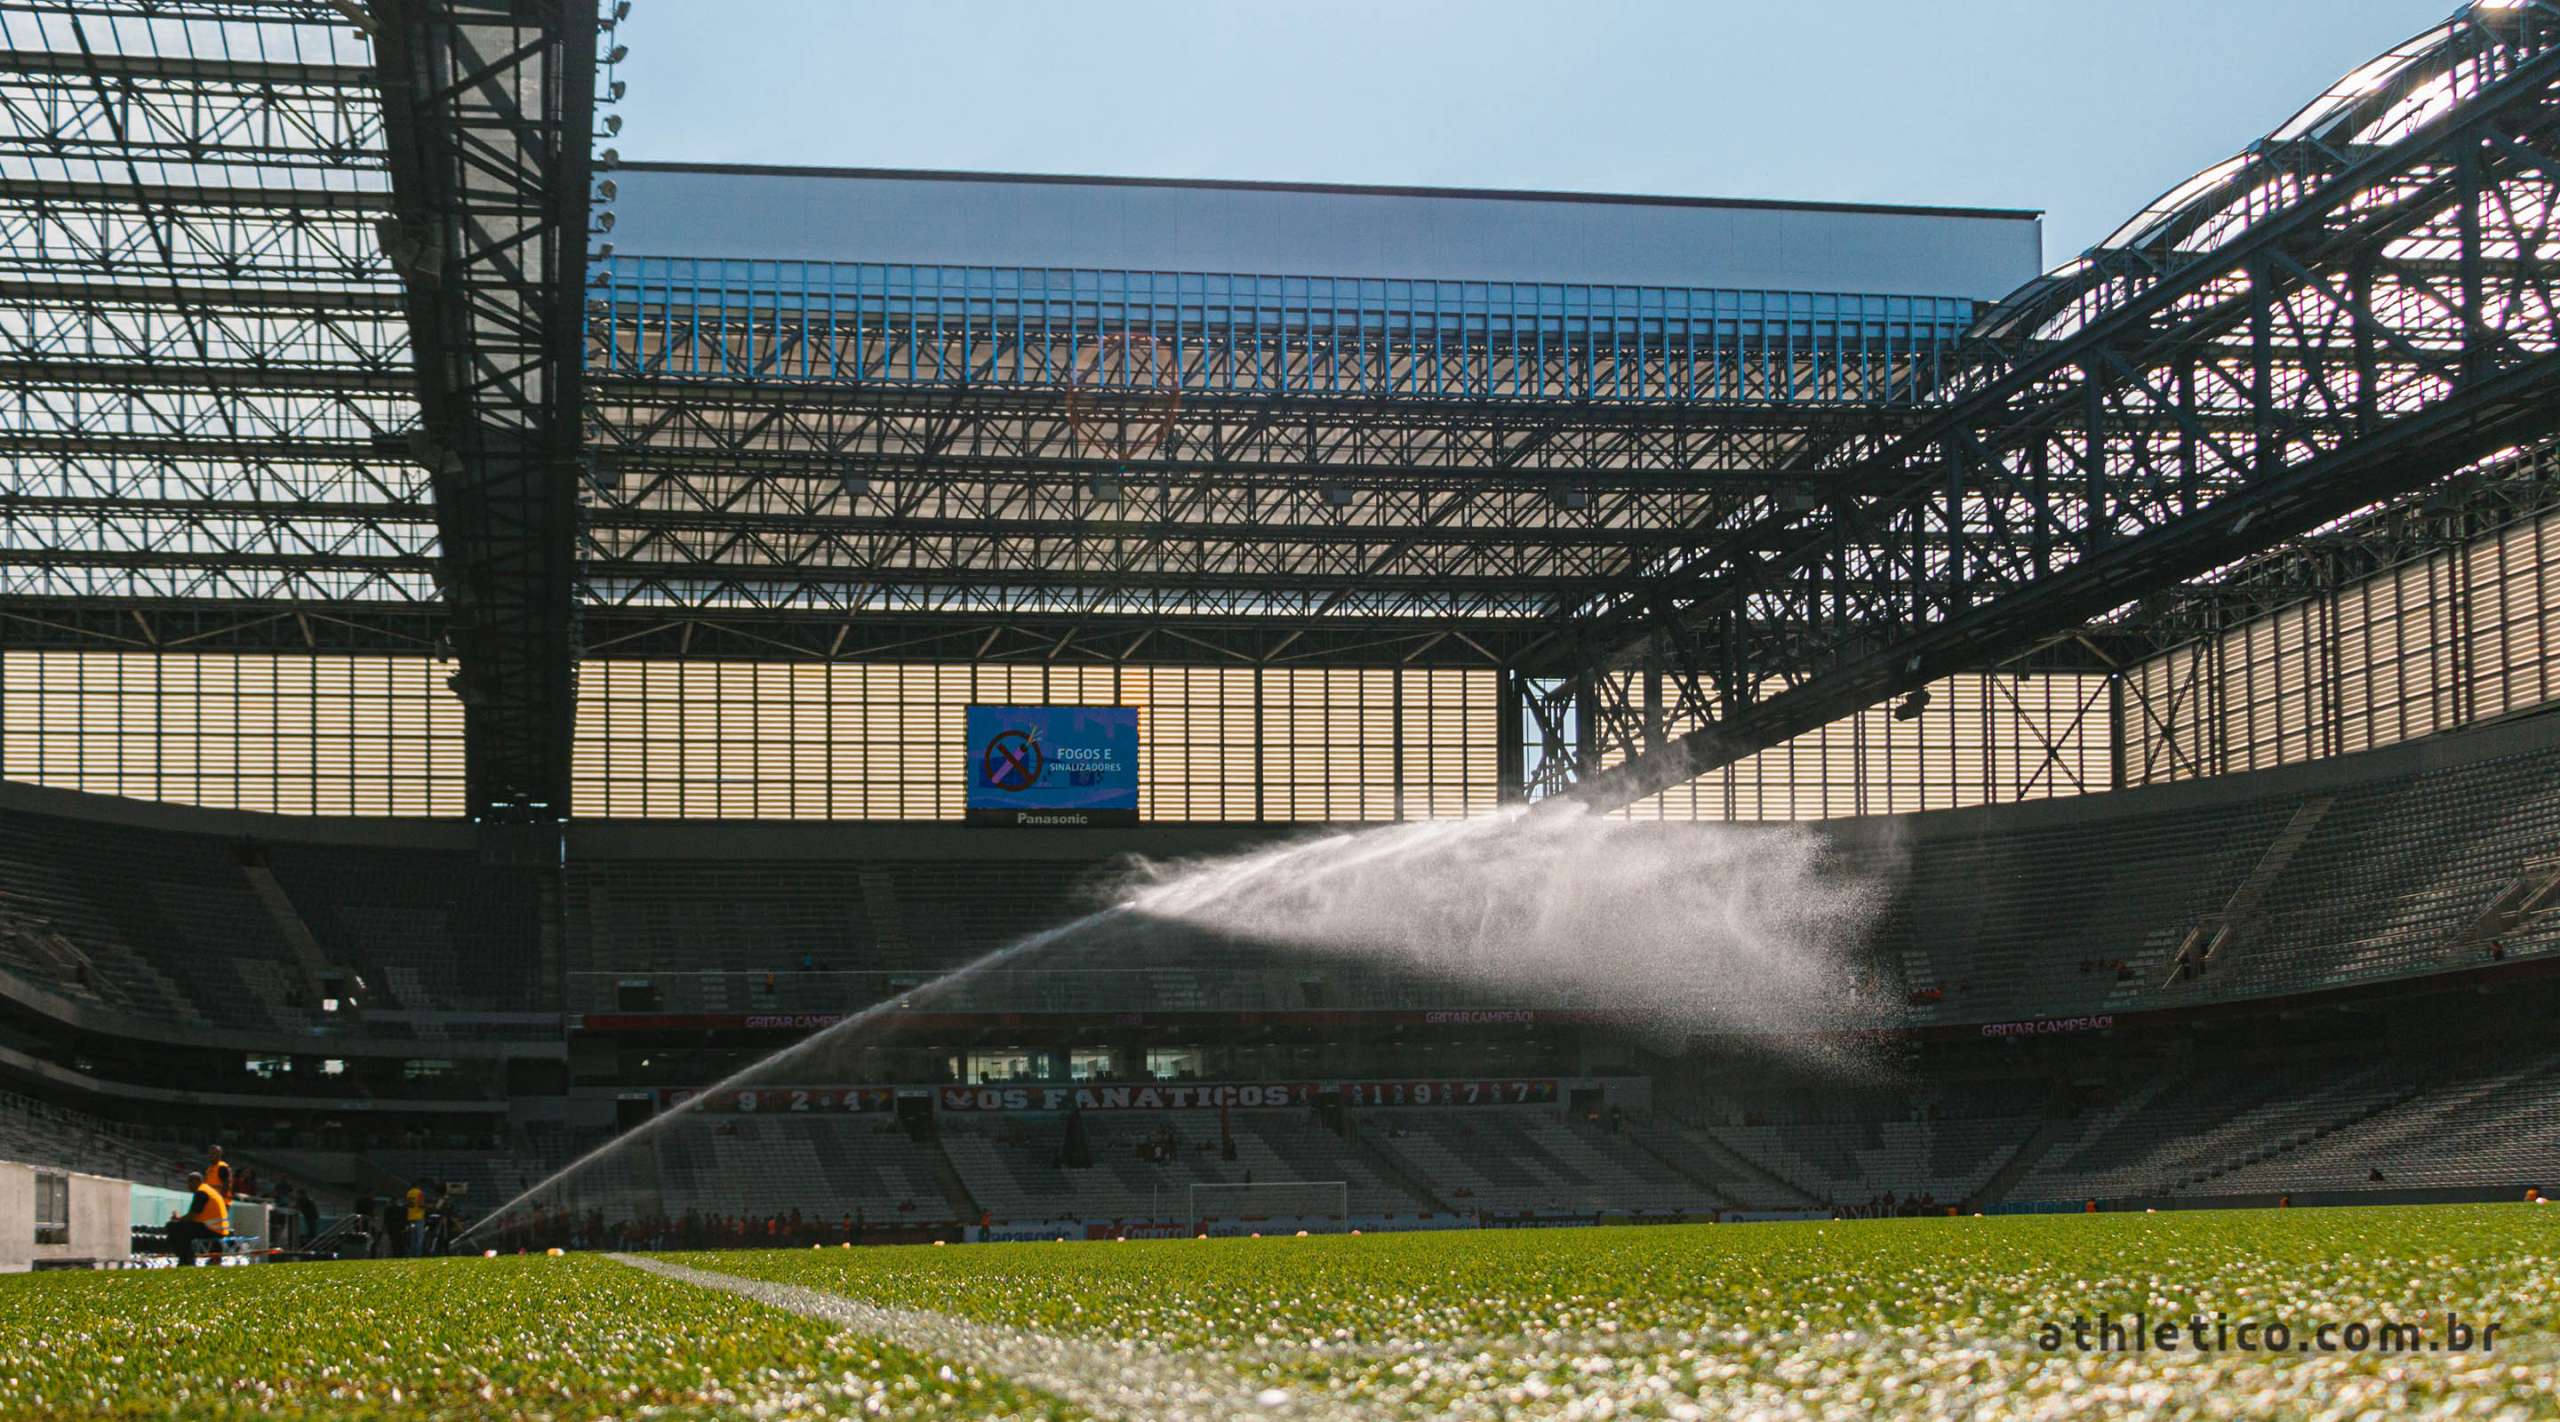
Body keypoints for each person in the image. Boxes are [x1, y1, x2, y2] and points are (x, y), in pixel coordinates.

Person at [169, 1170, 228, 1266]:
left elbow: (192, 1216)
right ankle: (188, 1258)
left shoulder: (201, 1192)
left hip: (211, 1229)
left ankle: (186, 1259)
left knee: (173, 1227)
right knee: (184, 1228)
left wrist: (177, 1219)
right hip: (219, 1228)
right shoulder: (209, 1190)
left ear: (196, 1181)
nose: (188, 1185)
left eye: (189, 1182)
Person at [404, 1181, 429, 1258]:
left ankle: (412, 1254)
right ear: (418, 1185)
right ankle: (418, 1255)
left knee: (413, 1239)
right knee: (419, 1238)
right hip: (419, 1217)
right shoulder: (419, 1192)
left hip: (410, 1217)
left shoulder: (408, 1193)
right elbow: (421, 1204)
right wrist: (428, 1206)